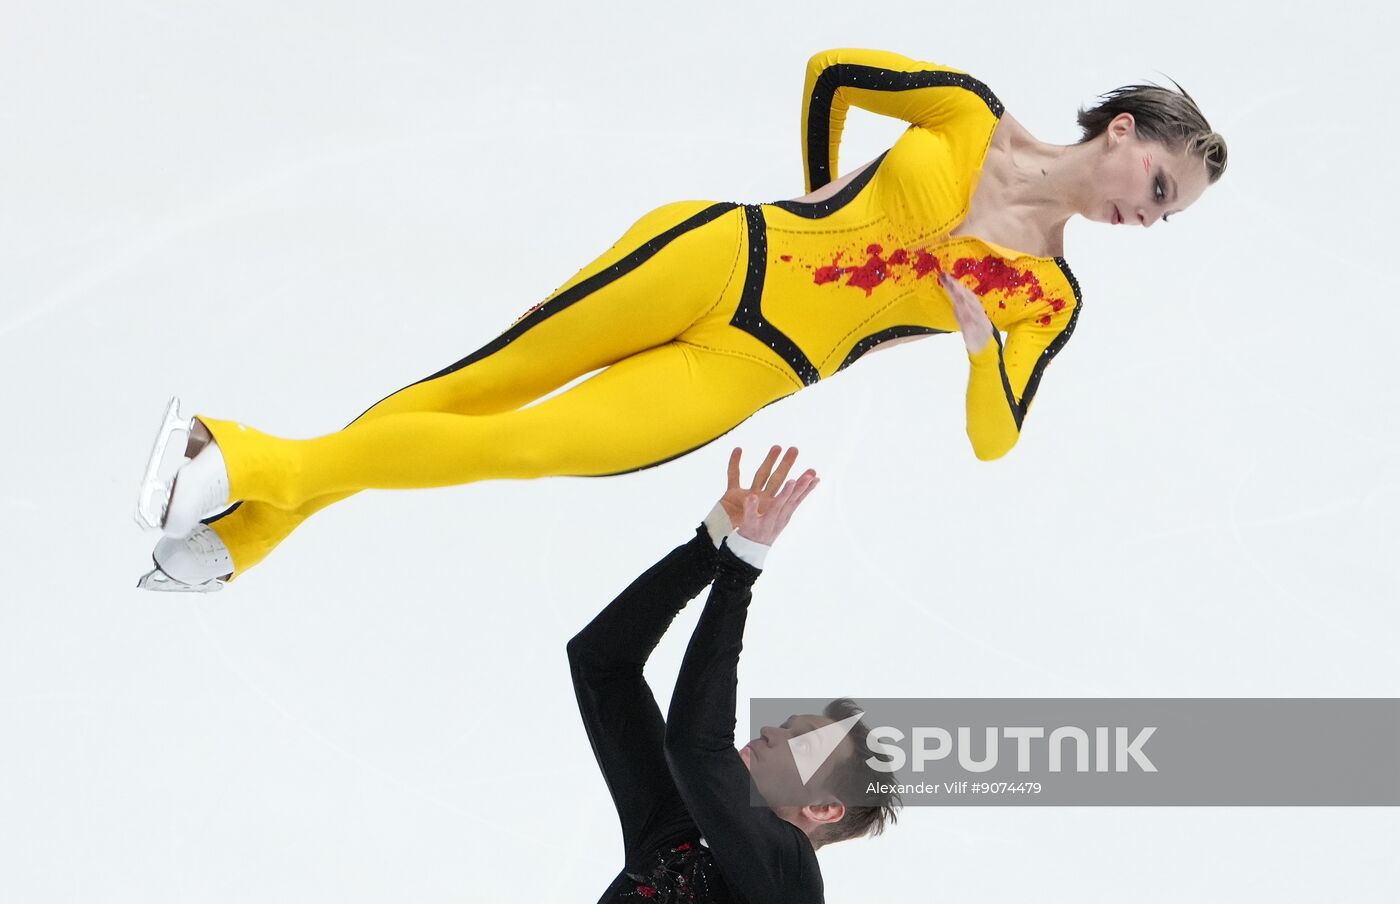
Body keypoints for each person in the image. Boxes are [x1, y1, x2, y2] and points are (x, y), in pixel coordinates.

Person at [133, 47, 1229, 591]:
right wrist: (810, 199)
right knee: (484, 381)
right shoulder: (969, 112)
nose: (1151, 214)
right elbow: (829, 77)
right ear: (1124, 130)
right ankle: (254, 498)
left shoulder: (1044, 292)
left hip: (757, 365)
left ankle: (254, 481)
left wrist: (981, 340)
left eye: (1166, 212)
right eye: (1163, 186)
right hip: (718, 251)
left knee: (517, 442)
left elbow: (996, 435)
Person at [568, 446, 899, 902]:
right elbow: (602, 665)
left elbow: (697, 749)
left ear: (822, 808)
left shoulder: (791, 881)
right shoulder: (676, 824)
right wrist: (711, 543)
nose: (771, 731)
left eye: (802, 744)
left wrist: (740, 568)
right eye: (787, 726)